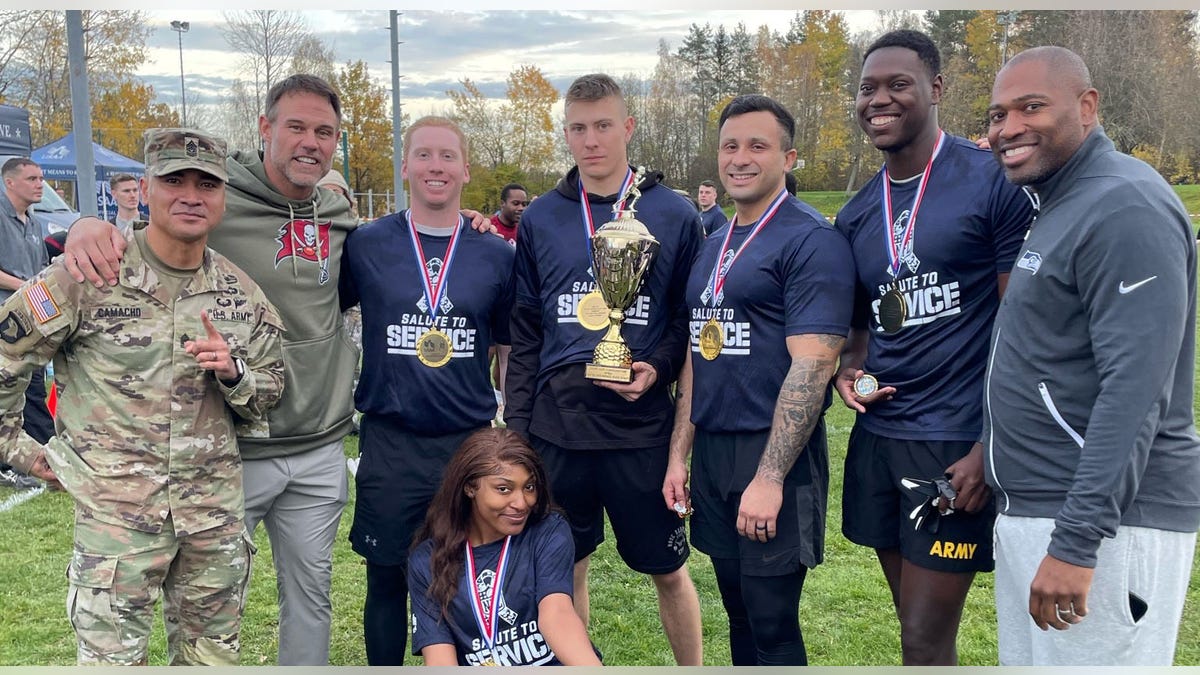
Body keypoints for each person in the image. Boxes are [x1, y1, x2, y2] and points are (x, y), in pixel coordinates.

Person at [64, 74, 358, 667]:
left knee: (304, 599)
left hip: (318, 440)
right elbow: (159, 231)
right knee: (196, 612)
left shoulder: (336, 210)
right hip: (227, 454)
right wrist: (85, 226)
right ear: (265, 128)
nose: (310, 142)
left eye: (324, 132)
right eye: (296, 126)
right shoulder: (221, 194)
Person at [0, 128, 285, 665]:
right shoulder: (85, 276)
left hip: (211, 524)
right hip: (116, 527)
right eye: (174, 180)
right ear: (145, 189)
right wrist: (26, 454)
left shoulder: (240, 293)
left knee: (211, 664)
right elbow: (4, 361)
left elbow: (270, 388)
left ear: (222, 197)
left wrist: (234, 374)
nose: (191, 195)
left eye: (207, 184)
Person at [983, 45, 1200, 666]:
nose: (1008, 128)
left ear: (1087, 106)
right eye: (998, 115)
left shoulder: (1124, 204)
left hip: (1100, 523)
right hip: (1042, 508)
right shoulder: (1061, 205)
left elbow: (1135, 393)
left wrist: (1077, 541)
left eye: (1031, 107)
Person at [831, 29, 1033, 665]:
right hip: (880, 441)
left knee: (925, 636)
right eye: (868, 89)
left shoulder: (989, 180)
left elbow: (1021, 326)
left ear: (936, 89)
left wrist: (985, 446)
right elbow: (859, 328)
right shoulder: (856, 213)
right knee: (911, 629)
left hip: (954, 444)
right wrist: (849, 371)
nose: (879, 100)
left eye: (898, 85)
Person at [505, 72, 703, 665]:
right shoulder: (541, 216)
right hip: (557, 429)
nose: (591, 140)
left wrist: (658, 366)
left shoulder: (674, 214)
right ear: (566, 133)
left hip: (638, 427)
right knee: (565, 573)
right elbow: (526, 329)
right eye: (578, 128)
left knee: (668, 570)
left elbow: (685, 322)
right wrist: (517, 431)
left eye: (603, 126)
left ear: (628, 128)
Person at [665, 94, 853, 665]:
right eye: (730, 146)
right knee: (738, 613)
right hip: (715, 454)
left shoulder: (810, 239)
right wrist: (680, 454)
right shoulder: (713, 243)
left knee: (772, 623)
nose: (739, 158)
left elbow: (814, 364)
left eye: (757, 146)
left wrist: (769, 477)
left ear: (788, 157)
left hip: (775, 455)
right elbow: (699, 354)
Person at [340, 116, 515, 665]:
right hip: (391, 440)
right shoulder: (366, 245)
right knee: (387, 579)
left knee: (469, 582)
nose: (435, 167)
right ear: (406, 166)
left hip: (467, 444)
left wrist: (510, 432)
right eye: (423, 155)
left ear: (465, 168)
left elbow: (507, 348)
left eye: (446, 156)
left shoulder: (496, 254)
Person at [408, 427, 601, 666]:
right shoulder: (426, 561)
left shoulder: (548, 531)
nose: (521, 503)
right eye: (504, 489)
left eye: (529, 487)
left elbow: (557, 614)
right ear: (470, 487)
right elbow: (440, 660)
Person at [0, 157, 54, 489]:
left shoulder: (34, 222)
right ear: (10, 183)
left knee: (33, 388)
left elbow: (42, 271)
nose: (40, 184)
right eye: (32, 178)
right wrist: (26, 287)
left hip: (31, 321)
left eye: (41, 178)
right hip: (5, 321)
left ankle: (42, 454)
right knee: (11, 393)